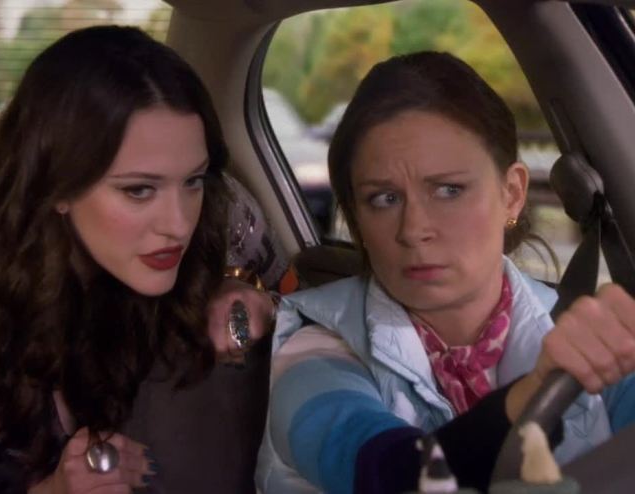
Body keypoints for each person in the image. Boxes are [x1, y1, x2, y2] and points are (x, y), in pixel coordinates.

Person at [0, 25, 279, 493]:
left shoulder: (222, 216)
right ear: (57, 185)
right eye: (138, 190)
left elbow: (322, 325)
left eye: (193, 180)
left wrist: (259, 302)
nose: (179, 223)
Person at [256, 51, 635, 494]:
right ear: (356, 217)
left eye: (449, 190)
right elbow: (387, 474)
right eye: (384, 199)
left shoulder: (583, 332)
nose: (414, 229)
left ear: (512, 194)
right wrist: (533, 392)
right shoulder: (312, 348)